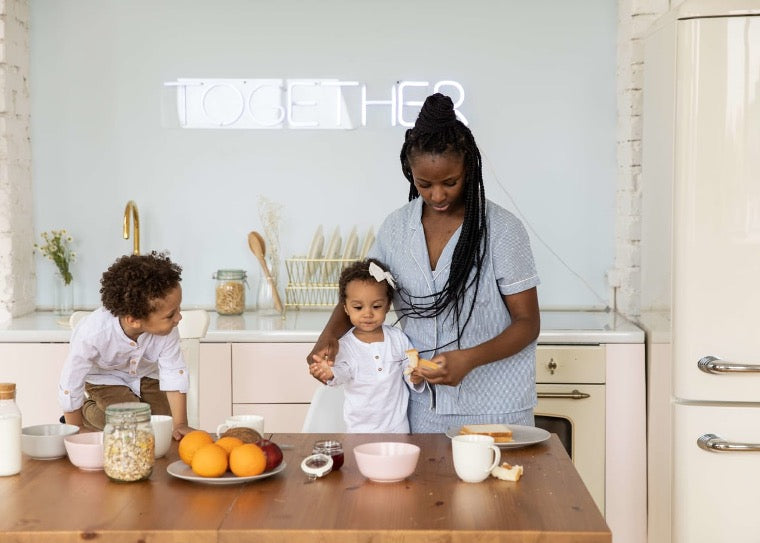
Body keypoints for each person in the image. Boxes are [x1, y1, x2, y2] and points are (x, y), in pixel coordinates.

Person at [308, 93, 541, 433]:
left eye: (450, 182)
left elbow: (527, 323)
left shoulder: (503, 230)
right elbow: (363, 290)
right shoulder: (395, 229)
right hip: (422, 410)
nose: (437, 195)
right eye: (424, 184)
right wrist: (328, 338)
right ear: (410, 174)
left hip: (498, 410)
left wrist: (468, 359)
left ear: (469, 169)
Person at [59, 251, 193, 440]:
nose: (179, 318)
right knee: (133, 425)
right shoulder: (93, 333)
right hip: (105, 379)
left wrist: (180, 425)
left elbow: (173, 371)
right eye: (171, 314)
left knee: (163, 424)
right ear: (134, 320)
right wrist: (75, 428)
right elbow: (71, 380)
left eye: (178, 309)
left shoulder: (167, 329)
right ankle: (88, 411)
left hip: (146, 374)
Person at [308, 258, 424, 433]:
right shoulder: (344, 345)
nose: (368, 314)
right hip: (359, 431)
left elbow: (409, 367)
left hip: (397, 429)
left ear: (387, 306)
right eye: (358, 307)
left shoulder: (398, 338)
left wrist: (415, 376)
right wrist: (329, 372)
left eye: (376, 306)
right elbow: (342, 373)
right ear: (346, 309)